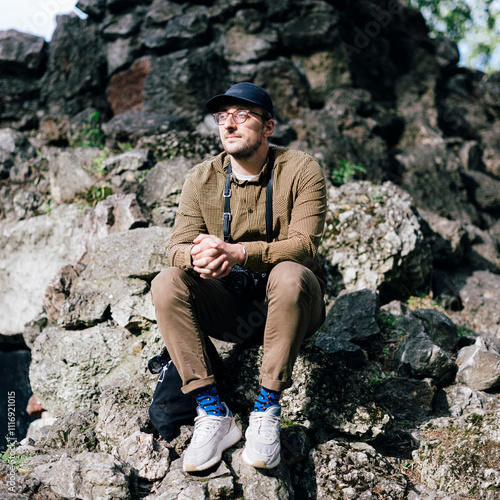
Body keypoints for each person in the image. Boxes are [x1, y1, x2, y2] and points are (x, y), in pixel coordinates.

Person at [151, 82, 327, 473]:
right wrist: (197, 257)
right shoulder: (200, 178)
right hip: (230, 309)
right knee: (166, 281)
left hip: (295, 306)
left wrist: (241, 253)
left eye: (241, 115)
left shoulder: (302, 169)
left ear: (268, 127)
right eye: (222, 117)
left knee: (289, 272)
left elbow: (305, 245)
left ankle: (267, 409)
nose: (229, 124)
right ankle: (213, 412)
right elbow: (175, 246)